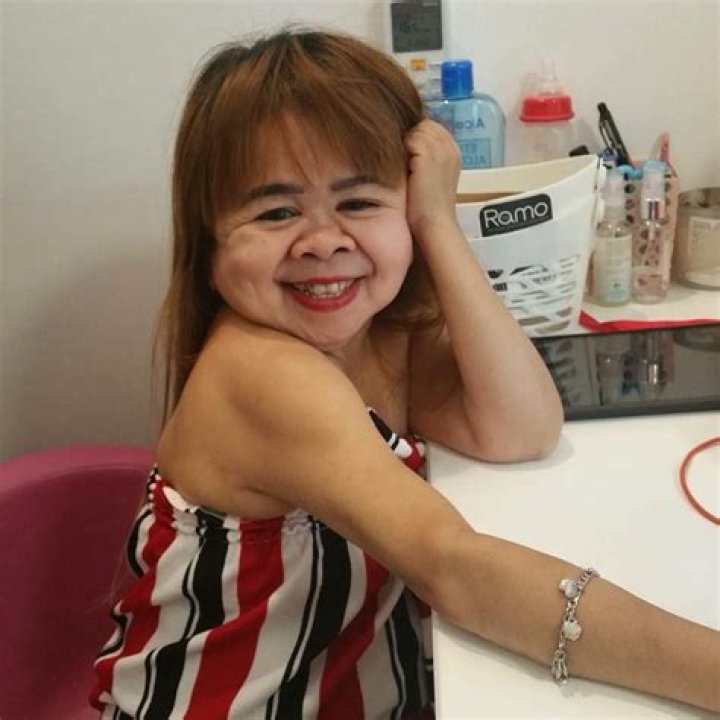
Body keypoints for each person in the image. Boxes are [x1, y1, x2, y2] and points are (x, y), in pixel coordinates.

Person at [92, 29, 718, 719]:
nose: (324, 241)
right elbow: (457, 571)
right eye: (276, 212)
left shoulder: (380, 336)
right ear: (210, 246)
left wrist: (439, 223)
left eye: (360, 203)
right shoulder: (260, 374)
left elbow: (524, 428)